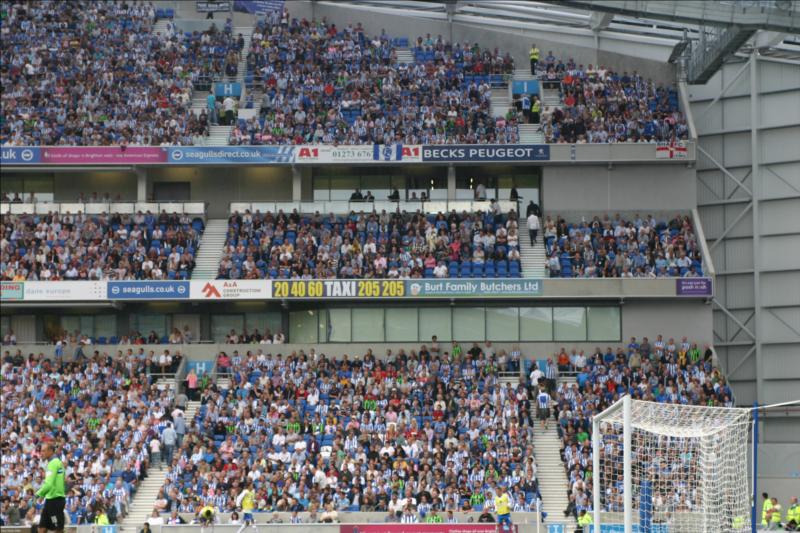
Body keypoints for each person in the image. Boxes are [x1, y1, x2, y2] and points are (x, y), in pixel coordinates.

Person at [36, 442, 66, 533]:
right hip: (50, 499)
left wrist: (37, 494)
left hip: (55, 500)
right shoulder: (57, 462)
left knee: (58, 529)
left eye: (43, 451)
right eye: (41, 451)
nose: (41, 453)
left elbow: (49, 484)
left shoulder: (52, 463)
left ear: (50, 451)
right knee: (42, 527)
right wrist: (42, 496)